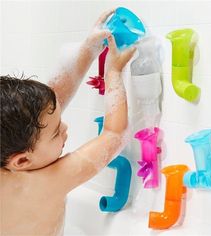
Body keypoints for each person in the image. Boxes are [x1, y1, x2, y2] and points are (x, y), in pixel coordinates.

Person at [0, 9, 136, 236]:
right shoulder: (48, 182)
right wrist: (114, 72)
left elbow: (47, 107)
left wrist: (88, 50)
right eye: (55, 133)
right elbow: (114, 134)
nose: (65, 128)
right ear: (22, 160)